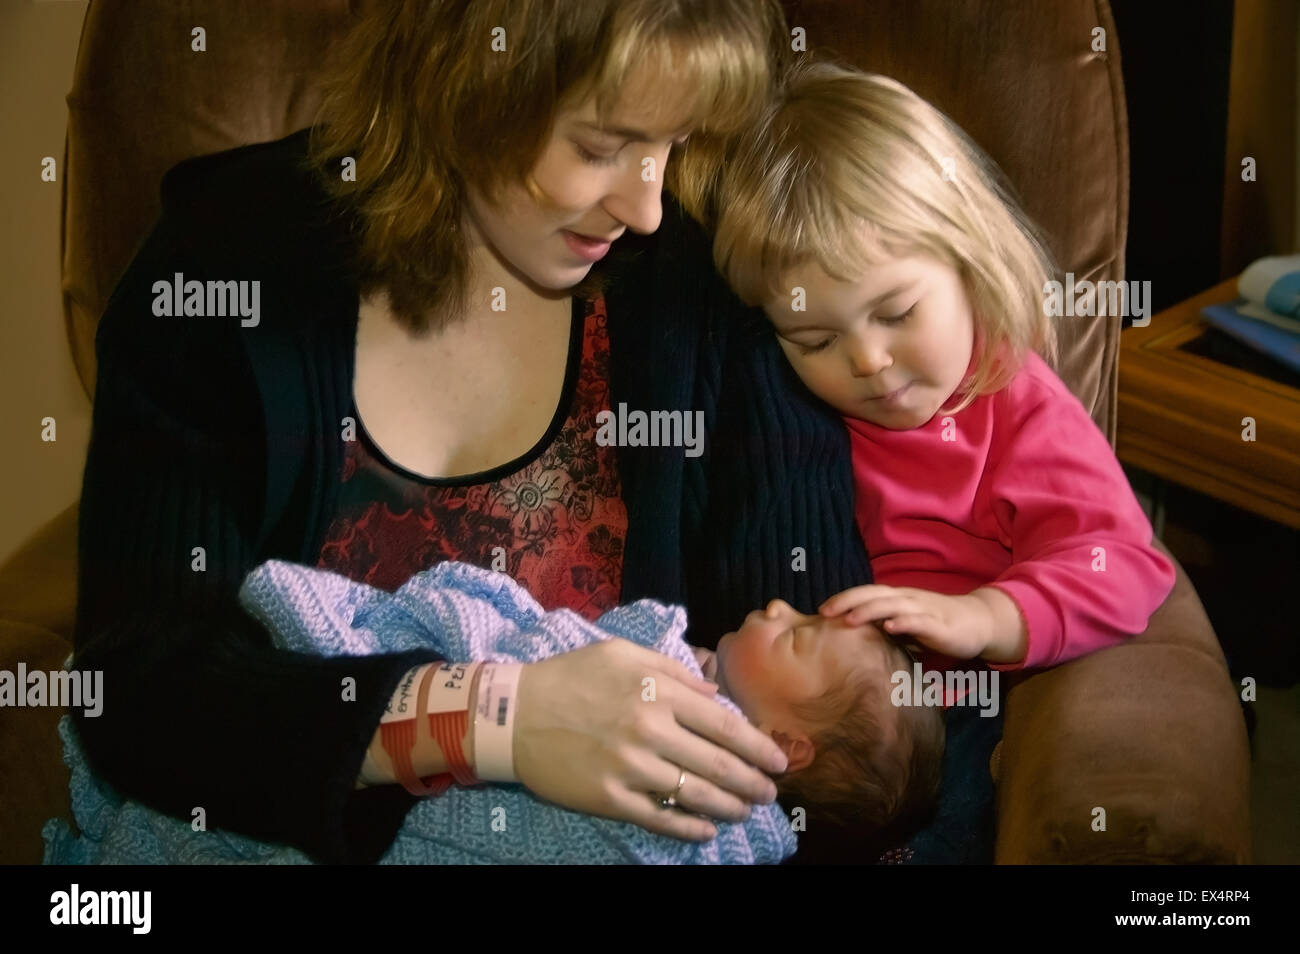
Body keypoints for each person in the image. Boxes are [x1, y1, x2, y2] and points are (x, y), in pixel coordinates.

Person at [69, 0, 881, 865]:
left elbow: (829, 748)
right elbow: (139, 687)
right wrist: (491, 718)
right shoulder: (223, 268)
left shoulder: (710, 275)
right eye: (602, 146)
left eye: (674, 143)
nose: (646, 205)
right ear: (466, 80)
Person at [709, 62, 1176, 685]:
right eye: (816, 340)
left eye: (897, 312)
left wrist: (984, 617)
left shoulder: (1017, 406)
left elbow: (1122, 565)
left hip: (952, 717)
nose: (868, 361)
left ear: (967, 257)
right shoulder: (788, 406)